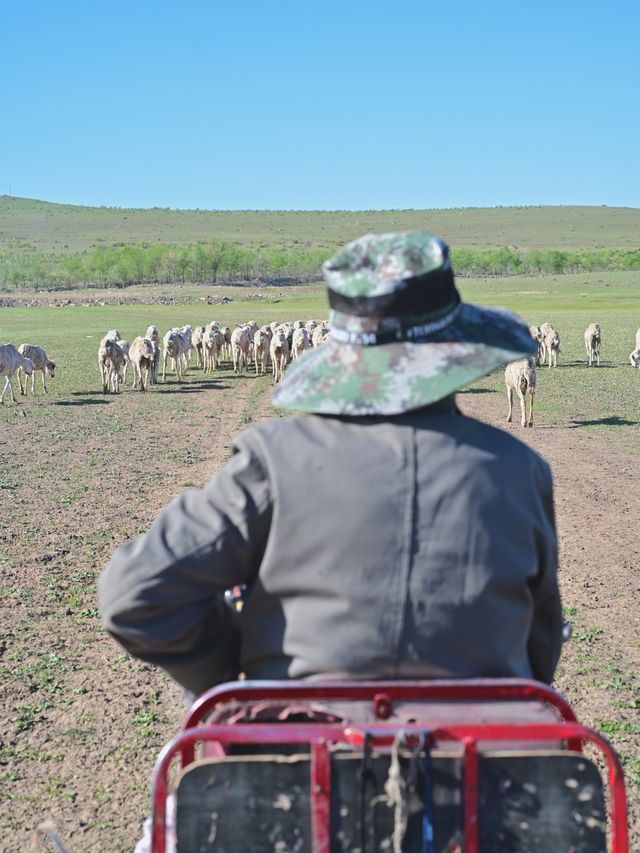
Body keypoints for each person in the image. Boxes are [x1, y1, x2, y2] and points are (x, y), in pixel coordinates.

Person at [98, 231, 563, 697]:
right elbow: (540, 645)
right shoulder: (519, 469)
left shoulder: (273, 462)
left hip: (297, 749)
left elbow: (133, 592)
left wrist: (227, 667)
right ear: (458, 350)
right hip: (485, 753)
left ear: (342, 358)